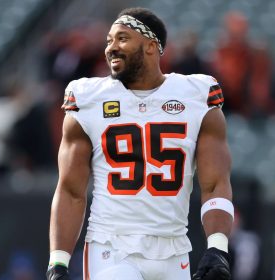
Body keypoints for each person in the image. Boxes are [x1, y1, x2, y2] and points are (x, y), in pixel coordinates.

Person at [47, 7, 233, 280]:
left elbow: (215, 182)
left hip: (175, 250)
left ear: (151, 46)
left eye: (122, 38)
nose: (111, 48)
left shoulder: (196, 96)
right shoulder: (88, 99)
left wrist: (218, 247)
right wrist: (58, 262)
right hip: (111, 247)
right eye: (109, 40)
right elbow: (71, 189)